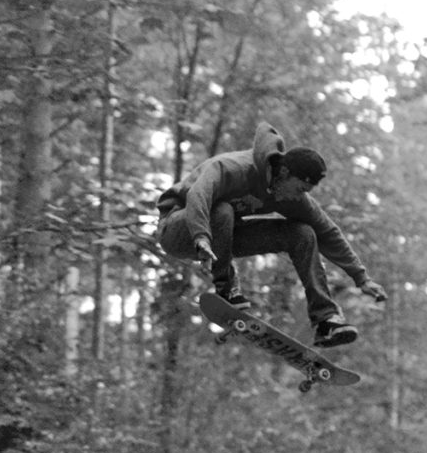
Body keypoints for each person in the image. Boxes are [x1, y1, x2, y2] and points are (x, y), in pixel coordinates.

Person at [154, 122, 388, 347]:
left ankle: (326, 319)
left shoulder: (286, 194)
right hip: (177, 228)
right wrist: (200, 235)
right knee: (222, 210)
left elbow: (327, 231)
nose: (299, 197)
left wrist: (361, 278)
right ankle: (226, 289)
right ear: (284, 172)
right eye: (300, 189)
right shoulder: (235, 168)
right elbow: (198, 195)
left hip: (221, 237)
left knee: (302, 233)